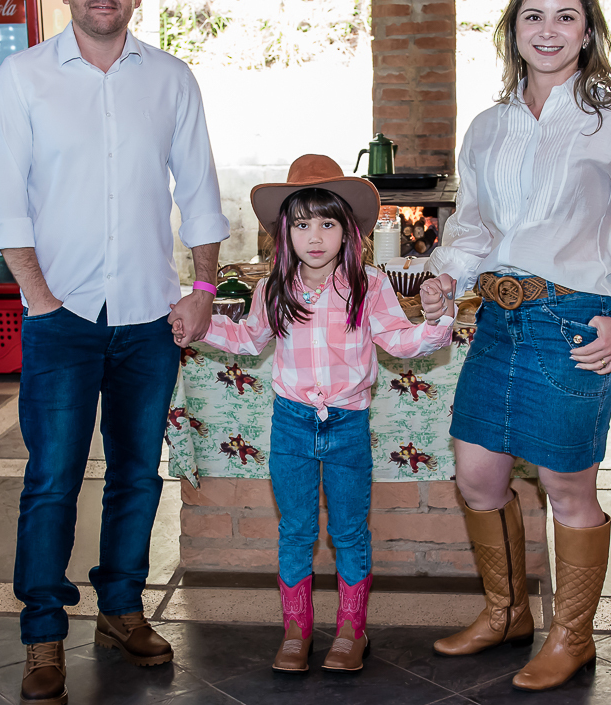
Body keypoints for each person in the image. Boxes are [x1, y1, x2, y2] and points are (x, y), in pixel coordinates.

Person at [0, 0, 230, 705]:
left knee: (135, 475)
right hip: (62, 320)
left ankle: (122, 606)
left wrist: (199, 291)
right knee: (52, 478)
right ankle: (42, 633)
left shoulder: (171, 79)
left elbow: (199, 193)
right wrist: (42, 300)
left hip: (151, 320)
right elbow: (3, 204)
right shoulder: (24, 78)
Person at [425, 0, 611, 692]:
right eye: (532, 16)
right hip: (501, 320)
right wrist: (450, 276)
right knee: (477, 474)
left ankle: (572, 635)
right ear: (512, 30)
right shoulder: (487, 127)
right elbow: (475, 227)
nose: (548, 31)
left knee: (568, 486)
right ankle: (506, 611)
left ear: (588, 31)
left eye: (565, 16)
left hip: (580, 320)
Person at [172, 155, 456, 673]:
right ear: (285, 233)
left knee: (348, 530)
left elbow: (400, 341)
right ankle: (296, 630)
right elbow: (248, 336)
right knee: (297, 529)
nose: (316, 236)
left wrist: (438, 322)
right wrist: (199, 324)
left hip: (347, 425)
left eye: (328, 223)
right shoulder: (272, 288)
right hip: (292, 423)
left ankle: (352, 629)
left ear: (349, 231)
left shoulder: (371, 287)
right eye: (302, 224)